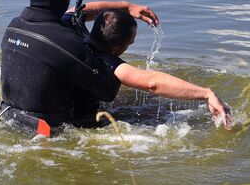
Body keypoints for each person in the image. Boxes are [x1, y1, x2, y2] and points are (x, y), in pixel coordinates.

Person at [0, 0, 158, 135]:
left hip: (7, 116)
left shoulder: (14, 26)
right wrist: (104, 55)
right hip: (49, 134)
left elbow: (76, 12)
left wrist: (126, 7)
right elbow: (107, 89)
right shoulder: (64, 40)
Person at [85, 9, 232, 128]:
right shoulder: (108, 63)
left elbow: (87, 7)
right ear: (116, 49)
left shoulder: (71, 29)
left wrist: (127, 6)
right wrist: (206, 94)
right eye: (129, 44)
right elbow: (152, 82)